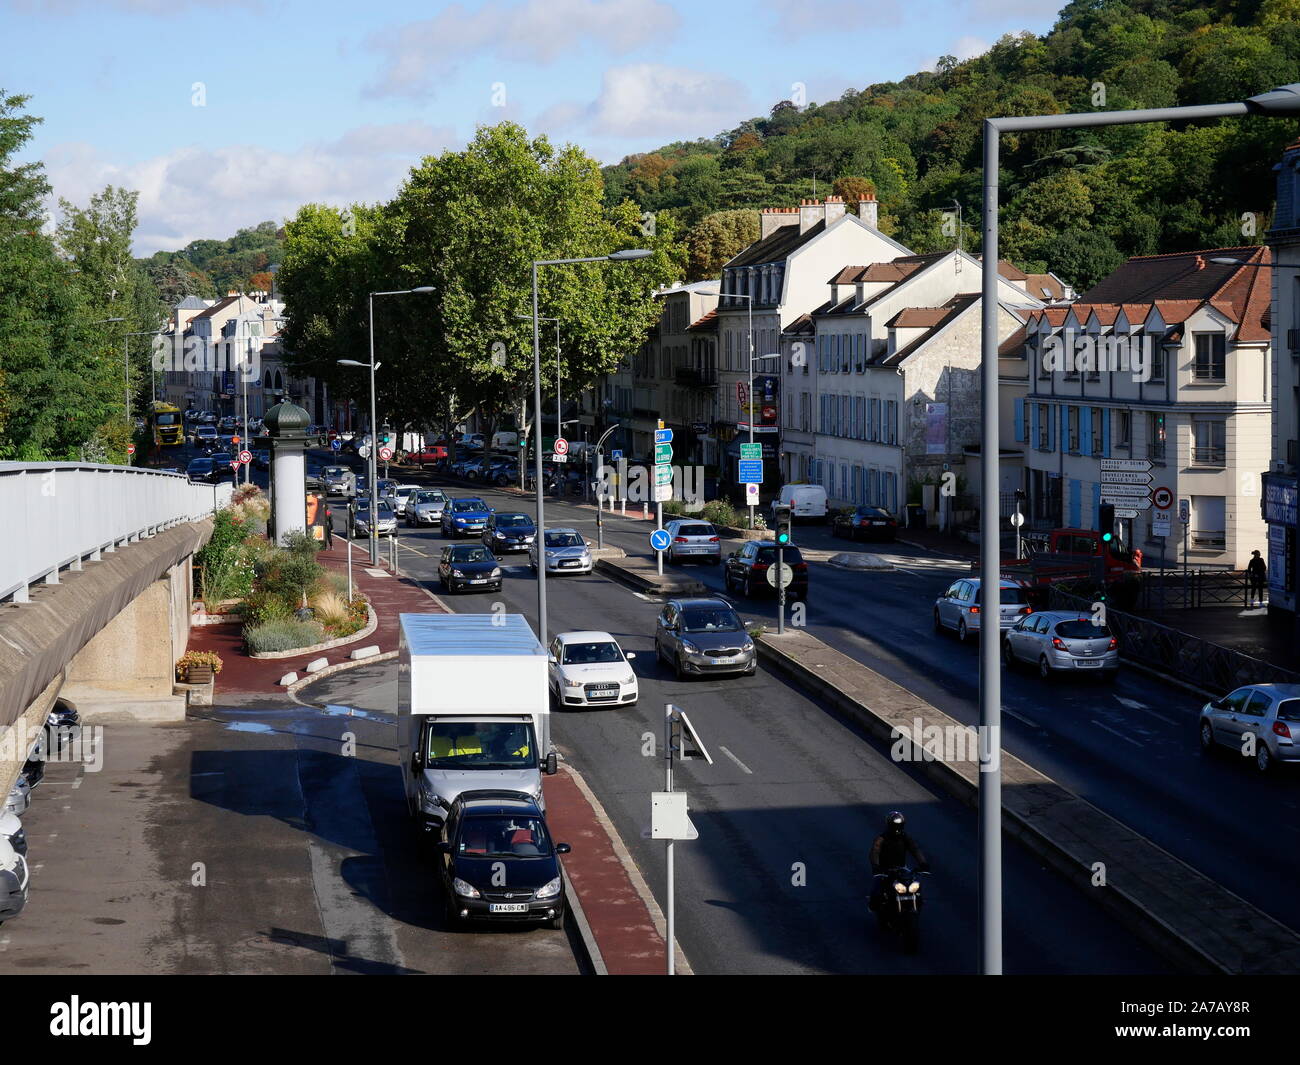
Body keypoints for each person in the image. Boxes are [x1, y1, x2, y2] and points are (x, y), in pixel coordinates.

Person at [869, 811, 929, 911]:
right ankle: (874, 906)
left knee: (915, 885)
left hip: (902, 868)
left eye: (899, 825)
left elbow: (915, 850)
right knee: (877, 889)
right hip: (885, 870)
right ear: (889, 825)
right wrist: (876, 866)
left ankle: (918, 902)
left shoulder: (905, 837)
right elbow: (875, 851)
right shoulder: (881, 839)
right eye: (894, 825)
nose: (897, 828)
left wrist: (923, 863)